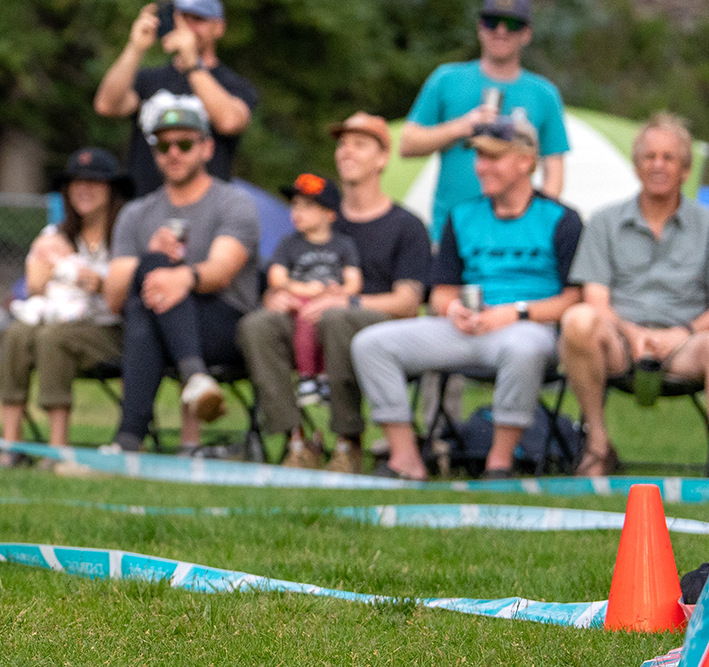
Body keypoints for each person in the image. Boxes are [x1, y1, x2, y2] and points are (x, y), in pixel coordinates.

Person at [351, 112, 582, 480]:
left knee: (522, 348)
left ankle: (499, 462)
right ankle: (406, 457)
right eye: (479, 156)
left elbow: (574, 298)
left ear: (525, 161)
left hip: (529, 328)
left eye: (493, 157)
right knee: (370, 344)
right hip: (468, 328)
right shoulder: (461, 217)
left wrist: (516, 313)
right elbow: (440, 292)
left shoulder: (561, 219)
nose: (481, 167)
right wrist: (453, 308)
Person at [234, 113, 433, 471]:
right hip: (307, 323)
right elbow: (278, 281)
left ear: (383, 158)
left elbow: (408, 303)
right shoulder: (315, 217)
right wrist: (277, 299)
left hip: (374, 327)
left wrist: (347, 300)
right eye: (341, 144)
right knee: (257, 324)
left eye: (359, 144)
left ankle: (348, 441)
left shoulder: (407, 226)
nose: (345, 151)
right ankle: (297, 440)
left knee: (337, 318)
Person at [560, 113, 709, 478]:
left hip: (684, 343)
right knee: (577, 320)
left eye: (669, 157)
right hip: (619, 341)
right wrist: (632, 333)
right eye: (649, 157)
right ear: (636, 165)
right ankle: (598, 445)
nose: (658, 165)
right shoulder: (604, 222)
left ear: (685, 169)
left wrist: (682, 334)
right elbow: (595, 299)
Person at [106, 104, 261, 454]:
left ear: (207, 148)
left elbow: (222, 271)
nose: (173, 153)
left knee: (149, 301)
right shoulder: (136, 213)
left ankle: (129, 438)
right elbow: (113, 297)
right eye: (163, 146)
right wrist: (149, 256)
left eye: (184, 144)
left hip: (225, 324)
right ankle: (195, 378)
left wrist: (184, 278)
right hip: (157, 326)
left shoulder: (235, 203)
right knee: (147, 292)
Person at [0, 147, 128, 453]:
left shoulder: (125, 233)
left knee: (53, 337)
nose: (84, 189)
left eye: (94, 182)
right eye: (76, 182)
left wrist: (90, 278)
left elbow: (121, 294)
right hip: (59, 318)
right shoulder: (55, 233)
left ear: (112, 189)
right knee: (16, 334)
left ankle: (58, 447)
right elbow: (35, 287)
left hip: (111, 329)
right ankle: (10, 442)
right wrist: (45, 266)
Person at [402, 0, 570, 212]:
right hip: (452, 229)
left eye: (512, 24)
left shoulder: (544, 93)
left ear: (527, 33)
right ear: (480, 27)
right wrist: (461, 127)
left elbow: (555, 170)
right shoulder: (446, 79)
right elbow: (407, 144)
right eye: (492, 21)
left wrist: (538, 222)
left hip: (518, 234)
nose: (501, 31)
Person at [92, 0, 260, 198]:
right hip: (146, 206)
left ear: (219, 28)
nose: (186, 27)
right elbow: (106, 105)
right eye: (179, 19)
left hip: (206, 211)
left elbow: (229, 122)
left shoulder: (233, 84)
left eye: (197, 20)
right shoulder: (149, 80)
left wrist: (192, 62)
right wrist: (135, 47)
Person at [262, 175, 361, 400]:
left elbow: (354, 282)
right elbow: (276, 278)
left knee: (332, 322)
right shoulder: (289, 243)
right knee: (306, 320)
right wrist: (304, 290)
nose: (297, 212)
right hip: (300, 302)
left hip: (332, 302)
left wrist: (340, 293)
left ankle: (327, 378)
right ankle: (307, 377)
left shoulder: (343, 244)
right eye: (295, 205)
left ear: (330, 214)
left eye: (308, 206)